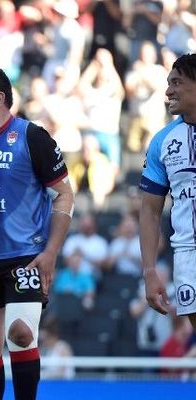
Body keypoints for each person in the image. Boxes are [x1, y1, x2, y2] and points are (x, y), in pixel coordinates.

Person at [0, 66, 74, 400]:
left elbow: (65, 194)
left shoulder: (31, 136)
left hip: (26, 256)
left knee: (22, 334)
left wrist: (51, 252)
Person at [139, 53, 196, 329]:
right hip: (187, 255)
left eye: (176, 82)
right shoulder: (163, 141)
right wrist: (150, 271)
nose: (168, 90)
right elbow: (150, 211)